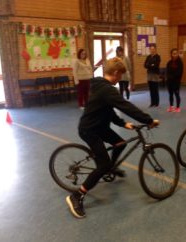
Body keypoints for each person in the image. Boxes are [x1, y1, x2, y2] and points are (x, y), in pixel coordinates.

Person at [66, 57, 159, 218]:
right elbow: (125, 106)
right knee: (102, 165)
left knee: (120, 143)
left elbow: (109, 109)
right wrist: (148, 120)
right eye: (120, 75)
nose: (120, 78)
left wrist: (123, 124)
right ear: (115, 73)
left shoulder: (101, 86)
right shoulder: (107, 89)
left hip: (100, 126)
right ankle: (77, 195)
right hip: (89, 130)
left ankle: (110, 167)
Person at [166, 48, 183, 112]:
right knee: (170, 94)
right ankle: (171, 107)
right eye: (173, 54)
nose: (174, 55)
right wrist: (168, 78)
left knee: (176, 94)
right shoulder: (169, 62)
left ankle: (178, 107)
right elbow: (167, 71)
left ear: (178, 54)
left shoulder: (180, 63)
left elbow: (179, 73)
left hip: (176, 82)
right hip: (169, 82)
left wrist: (172, 77)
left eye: (176, 54)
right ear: (171, 54)